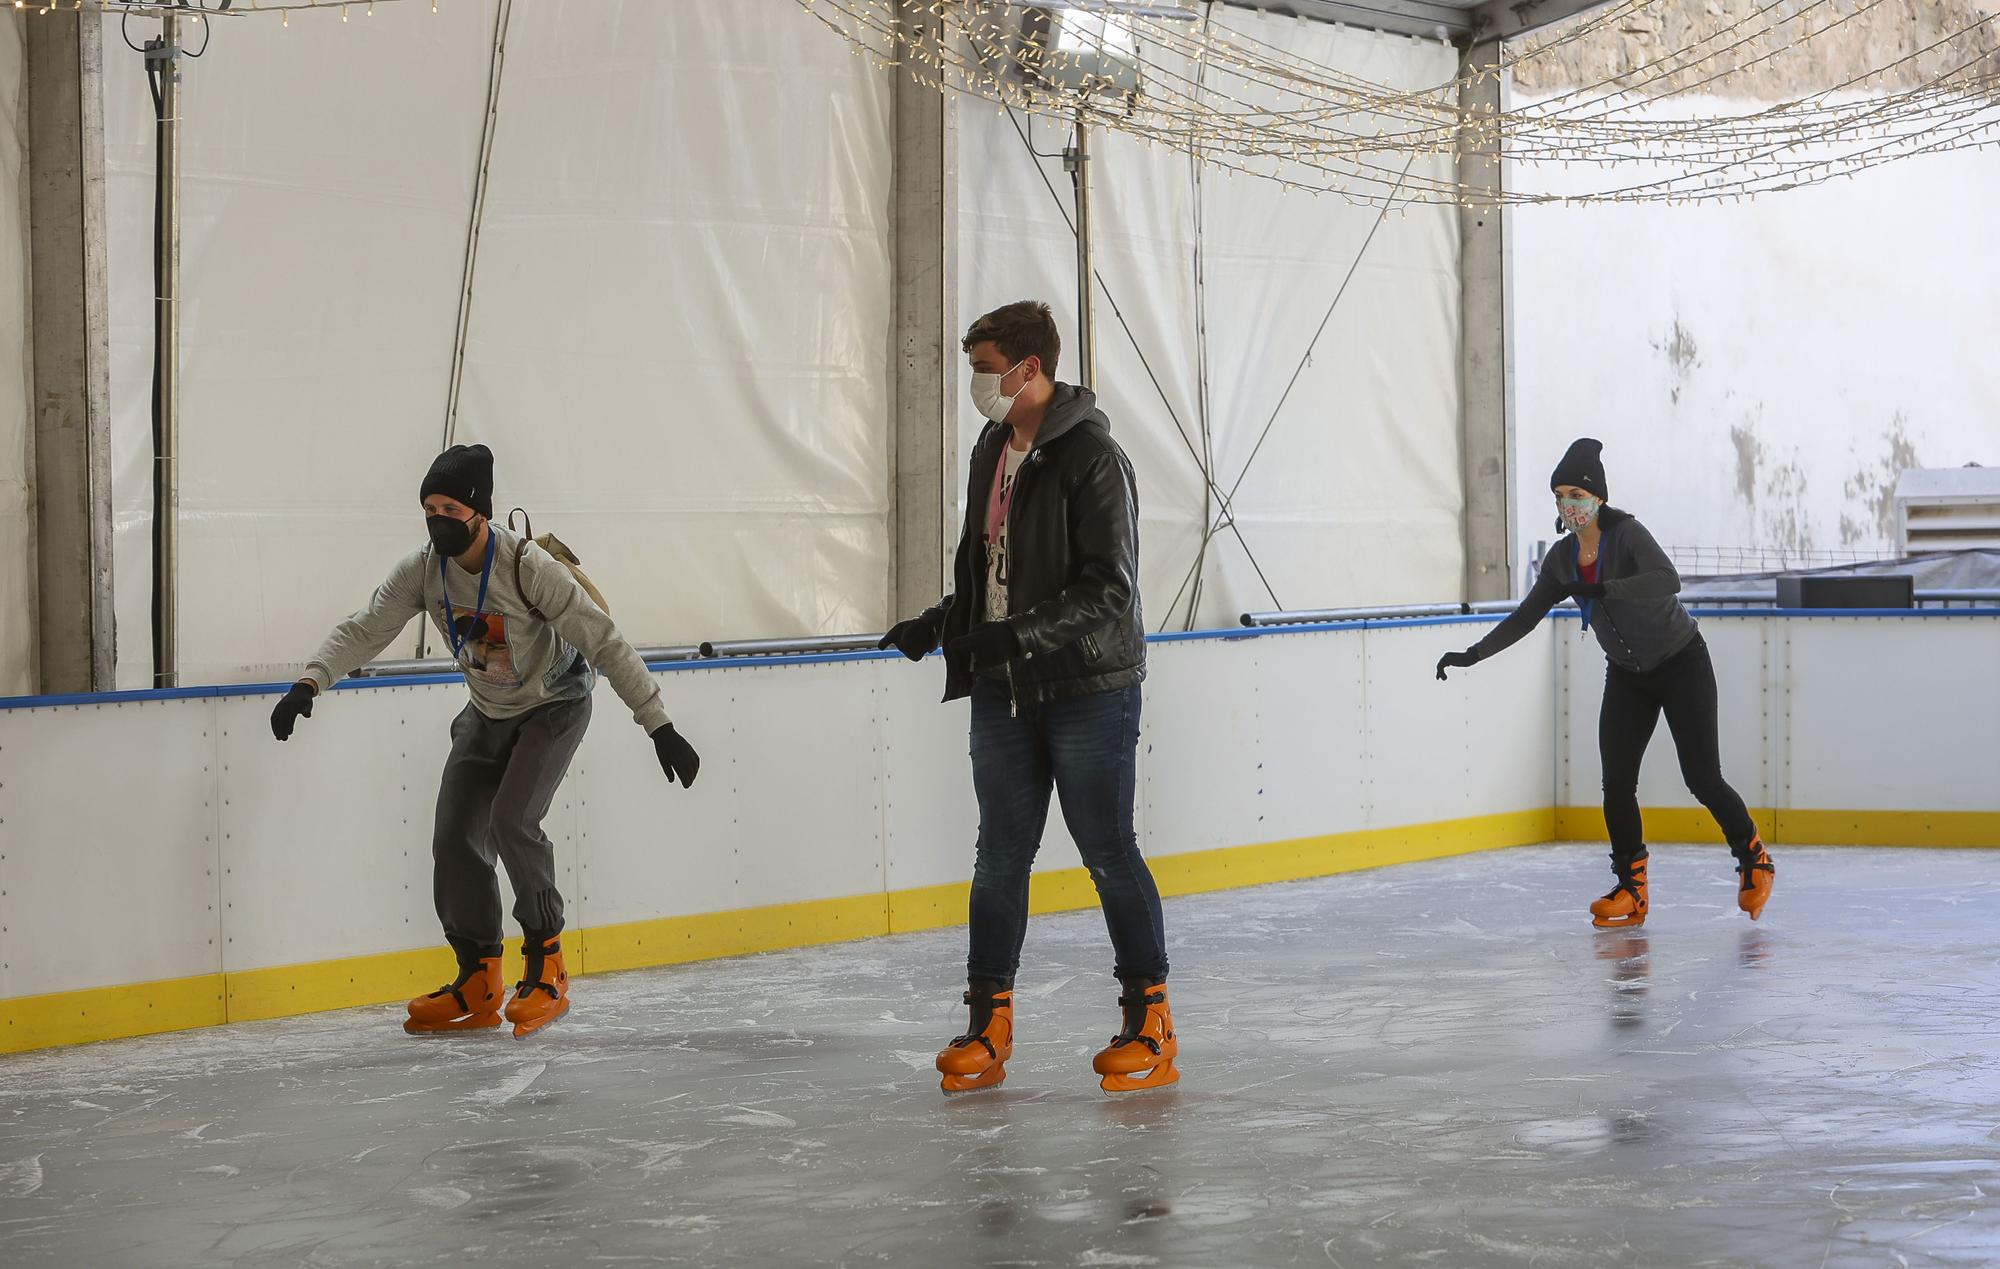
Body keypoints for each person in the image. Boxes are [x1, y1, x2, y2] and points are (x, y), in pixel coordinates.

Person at [269, 444, 701, 1038]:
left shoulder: (526, 568)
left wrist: (660, 726)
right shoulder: (424, 570)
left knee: (511, 822)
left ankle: (547, 965)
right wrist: (309, 683)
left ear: (478, 510)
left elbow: (603, 639)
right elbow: (366, 628)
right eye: (428, 508)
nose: (437, 519)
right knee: (454, 834)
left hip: (554, 705)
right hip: (487, 709)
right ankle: (479, 975)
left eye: (450, 506)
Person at [878, 301, 1176, 1093]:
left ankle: (1150, 1019)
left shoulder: (1092, 457)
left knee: (1107, 852)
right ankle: (987, 1022)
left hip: (1087, 688)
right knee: (998, 857)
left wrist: (1018, 637)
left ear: (1030, 369)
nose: (976, 384)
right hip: (1001, 690)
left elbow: (1110, 588)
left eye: (985, 370)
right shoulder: (991, 447)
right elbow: (987, 567)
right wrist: (941, 621)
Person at [1435, 438, 1774, 929]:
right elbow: (1525, 618)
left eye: (1575, 493)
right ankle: (1631, 889)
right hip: (1629, 675)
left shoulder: (1627, 535)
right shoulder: (1561, 561)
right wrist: (1472, 655)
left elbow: (1667, 579)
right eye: (1559, 495)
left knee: (1701, 777)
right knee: (1616, 784)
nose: (1567, 504)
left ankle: (1753, 856)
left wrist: (1606, 588)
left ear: (1597, 497)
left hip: (1681, 661)